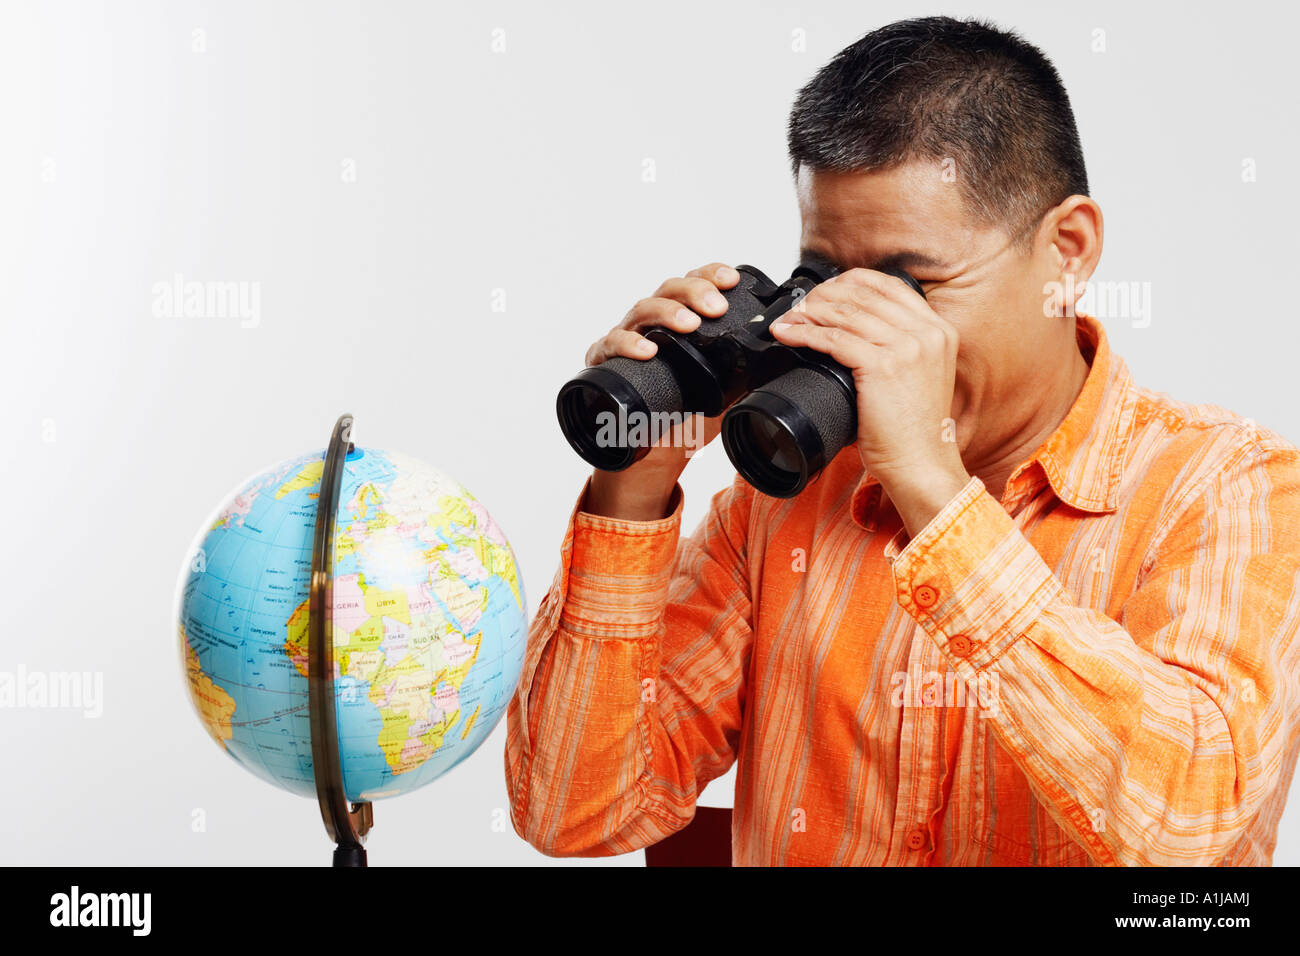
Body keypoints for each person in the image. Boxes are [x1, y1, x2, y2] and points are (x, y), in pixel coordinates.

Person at [503, 15, 1300, 865]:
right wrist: (636, 485)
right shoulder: (788, 496)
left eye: (913, 284)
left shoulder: (1232, 487)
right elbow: (573, 811)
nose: (858, 328)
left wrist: (935, 494)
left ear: (1067, 251)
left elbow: (1192, 827)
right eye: (824, 278)